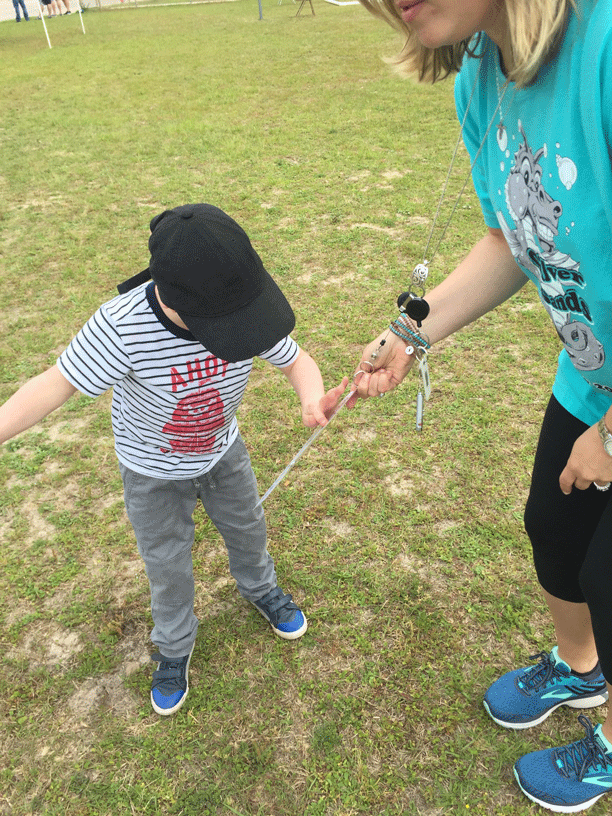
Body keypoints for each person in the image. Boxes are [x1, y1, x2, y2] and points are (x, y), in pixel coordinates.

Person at [351, 0, 612, 811]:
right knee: (555, 530)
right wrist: (412, 331)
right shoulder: (479, 74)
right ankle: (582, 671)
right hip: (592, 374)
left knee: (609, 572)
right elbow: (512, 238)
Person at [0, 203, 348, 717]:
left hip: (223, 450)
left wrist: (309, 398)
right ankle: (174, 644)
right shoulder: (122, 327)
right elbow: (54, 386)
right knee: (167, 563)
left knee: (248, 526)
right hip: (151, 472)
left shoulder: (240, 302)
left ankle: (260, 587)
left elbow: (296, 360)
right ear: (171, 295)